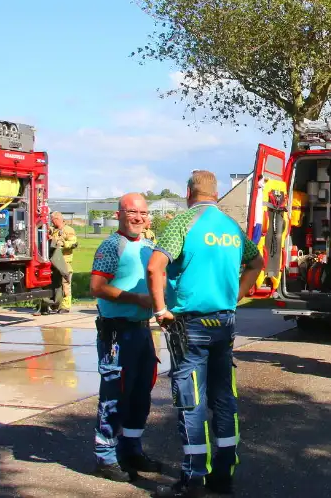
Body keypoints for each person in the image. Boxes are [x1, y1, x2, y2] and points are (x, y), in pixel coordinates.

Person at [148, 170, 264, 498]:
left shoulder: (184, 223)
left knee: (192, 400)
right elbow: (258, 262)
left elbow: (156, 266)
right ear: (216, 194)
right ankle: (224, 473)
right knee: (224, 398)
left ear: (189, 192)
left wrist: (160, 311)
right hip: (224, 323)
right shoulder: (231, 228)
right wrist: (237, 294)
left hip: (191, 325)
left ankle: (194, 477)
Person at [87, 193, 165, 482]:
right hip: (117, 333)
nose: (139, 218)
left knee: (140, 394)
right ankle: (105, 457)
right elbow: (97, 286)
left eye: (144, 213)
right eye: (133, 212)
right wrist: (136, 299)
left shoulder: (148, 247)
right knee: (114, 396)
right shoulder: (111, 246)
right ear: (119, 213)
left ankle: (131, 450)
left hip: (143, 332)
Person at [46, 211, 78, 313]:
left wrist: (62, 243)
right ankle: (54, 304)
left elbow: (74, 243)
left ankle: (65, 306)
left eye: (52, 220)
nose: (51, 222)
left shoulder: (68, 230)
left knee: (65, 283)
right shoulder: (52, 230)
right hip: (53, 261)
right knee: (54, 283)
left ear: (57, 219)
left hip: (65, 262)